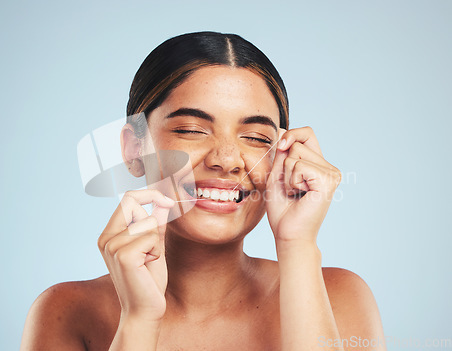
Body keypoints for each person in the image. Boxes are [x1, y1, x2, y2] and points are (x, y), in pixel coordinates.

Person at [20, 31, 385, 350]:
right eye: (192, 129)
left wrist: (297, 246)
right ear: (134, 149)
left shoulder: (341, 298)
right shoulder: (66, 311)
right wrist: (140, 320)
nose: (227, 160)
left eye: (257, 138)